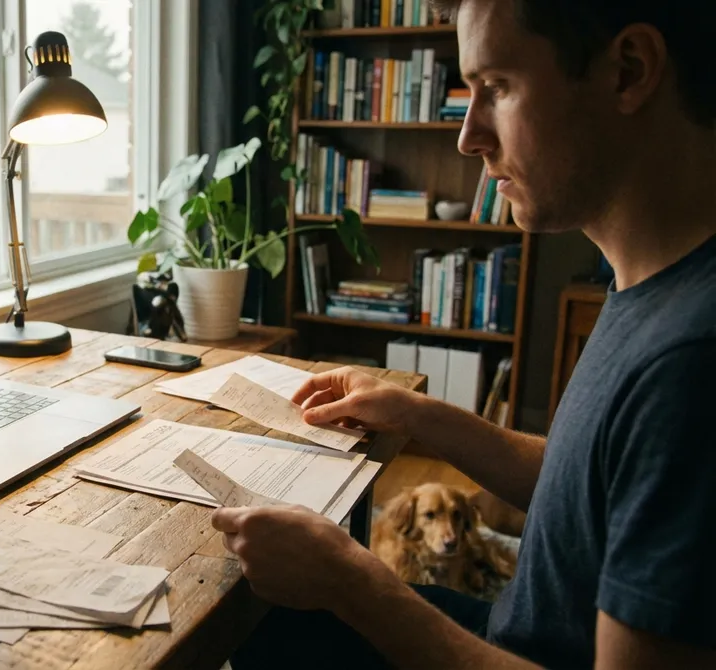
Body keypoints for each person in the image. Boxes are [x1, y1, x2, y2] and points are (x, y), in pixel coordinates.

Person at [214, 0, 716, 667]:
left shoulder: (691, 364)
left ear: (627, 71)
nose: (468, 136)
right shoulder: (653, 284)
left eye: (497, 88)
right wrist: (414, 412)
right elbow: (589, 489)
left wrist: (353, 581)